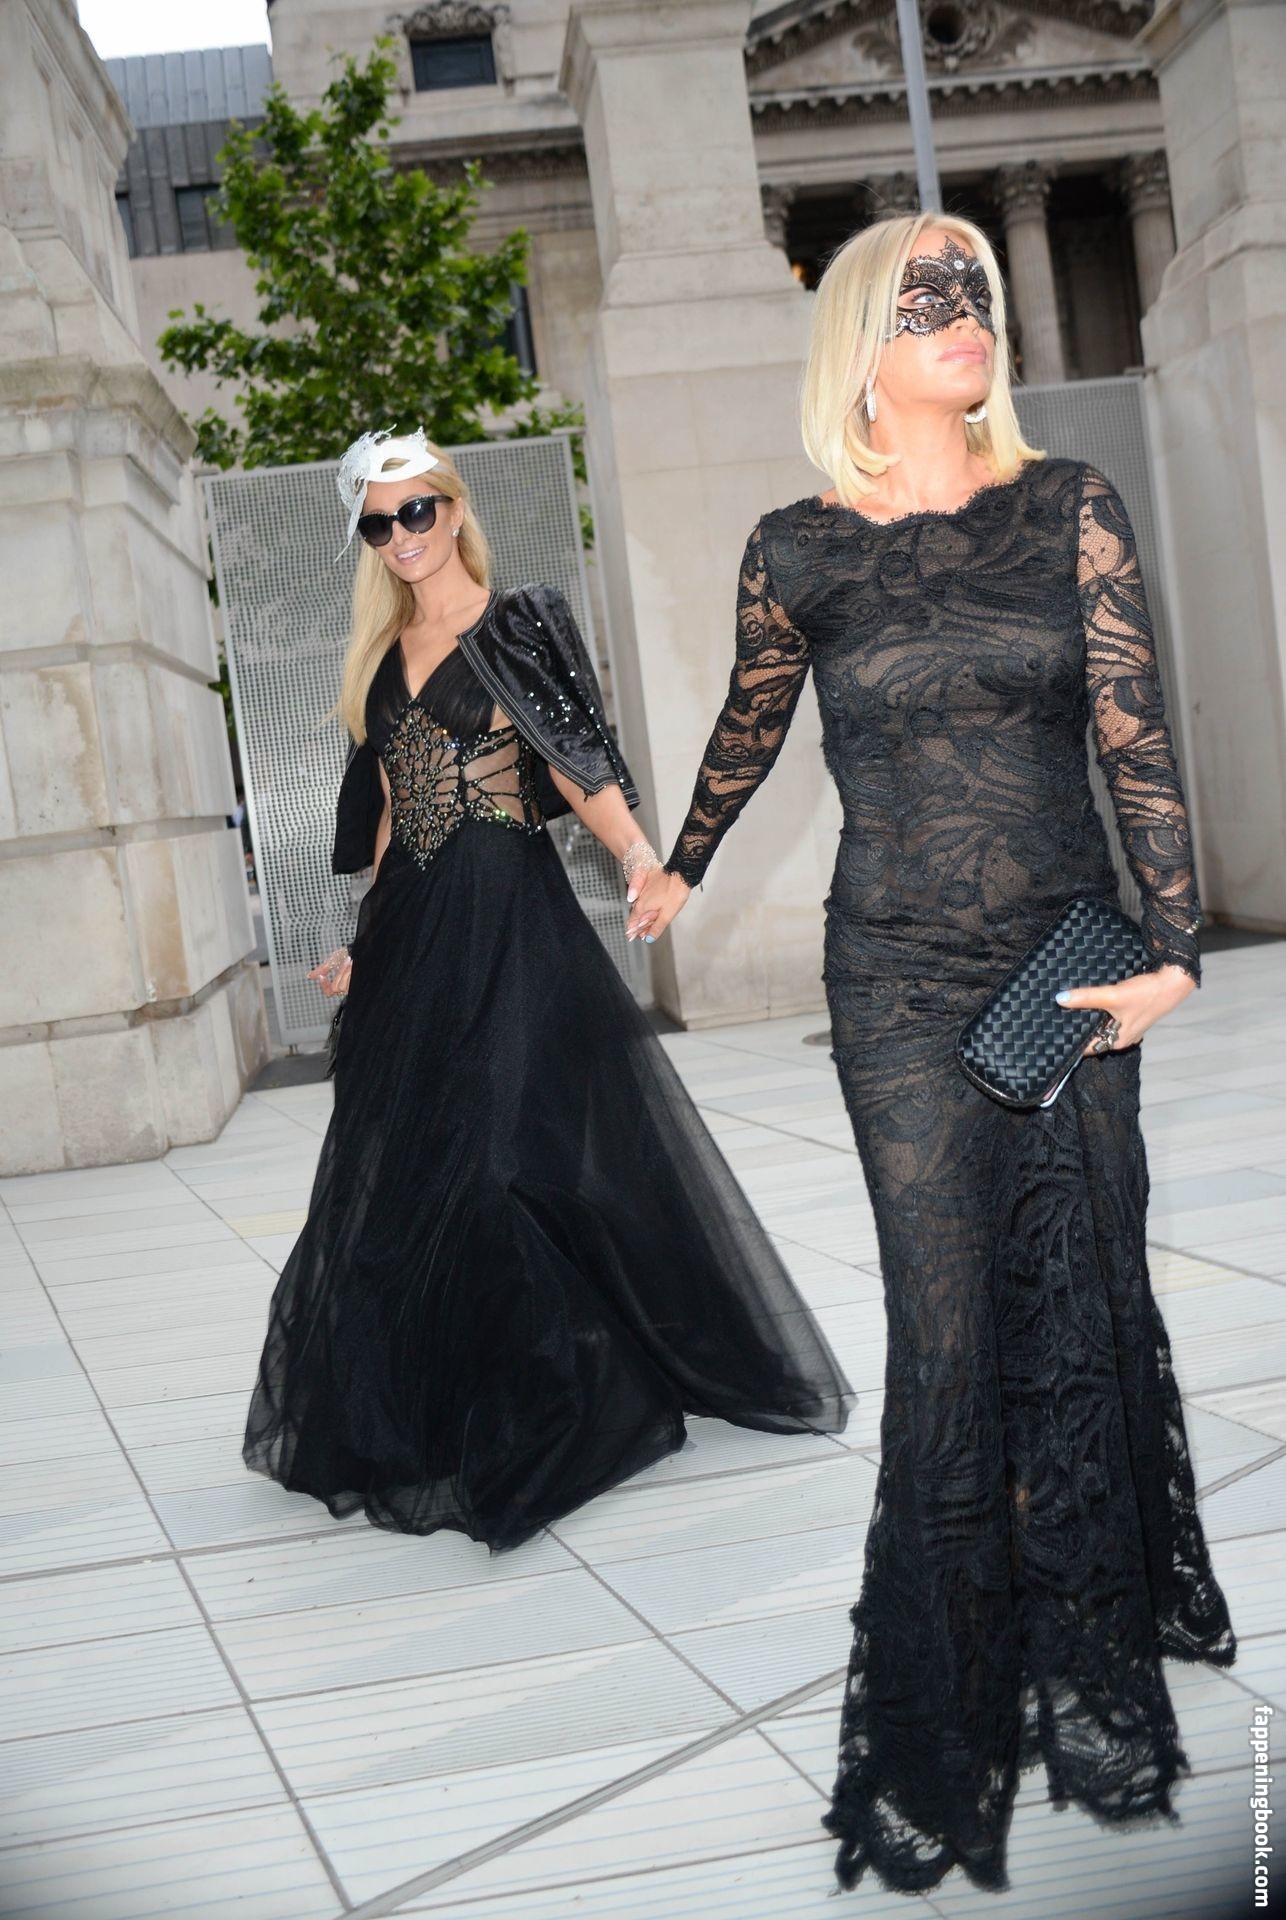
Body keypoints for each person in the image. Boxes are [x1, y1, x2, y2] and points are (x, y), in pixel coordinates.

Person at [626, 214, 1237, 1896]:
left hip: (1064, 966)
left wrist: (1174, 951)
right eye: (926, 297)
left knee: (1079, 1291)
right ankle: (946, 1704)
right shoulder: (796, 548)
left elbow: (1132, 733)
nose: (965, 316)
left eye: (976, 291)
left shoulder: (1069, 506)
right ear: (860, 347)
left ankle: (1097, 1636)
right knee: (947, 1319)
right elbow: (751, 720)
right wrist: (680, 860)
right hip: (893, 980)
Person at [241, 426, 853, 1553]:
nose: (401, 536)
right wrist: (359, 942)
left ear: (453, 508)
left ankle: (557, 1398)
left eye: (416, 511)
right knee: (416, 1158)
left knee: (505, 1154)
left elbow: (576, 763)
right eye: (378, 524)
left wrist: (640, 860)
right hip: (414, 928)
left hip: (511, 917)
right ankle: (446, 1398)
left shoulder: (519, 621)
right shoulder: (377, 657)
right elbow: (387, 813)